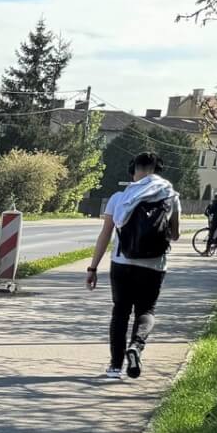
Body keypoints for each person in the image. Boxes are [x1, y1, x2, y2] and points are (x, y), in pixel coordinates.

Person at [86, 152, 180, 381]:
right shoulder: (170, 195)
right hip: (154, 265)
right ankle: (136, 347)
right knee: (146, 311)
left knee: (120, 313)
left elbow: (105, 235)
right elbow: (175, 235)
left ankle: (115, 367)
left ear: (133, 170)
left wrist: (93, 268)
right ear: (156, 170)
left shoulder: (119, 198)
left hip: (122, 264)